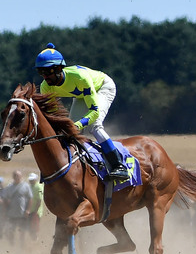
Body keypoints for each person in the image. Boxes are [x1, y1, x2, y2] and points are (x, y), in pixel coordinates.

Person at [35, 43, 128, 180]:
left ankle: (118, 165)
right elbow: (54, 119)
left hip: (102, 87)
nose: (45, 77)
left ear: (59, 68)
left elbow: (94, 111)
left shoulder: (80, 77)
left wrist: (78, 124)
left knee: (94, 126)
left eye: (48, 71)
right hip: (81, 95)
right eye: (41, 72)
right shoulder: (45, 87)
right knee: (69, 132)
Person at [0, 170, 32, 247]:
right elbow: (4, 199)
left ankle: (22, 246)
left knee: (22, 231)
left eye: (18, 175)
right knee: (10, 231)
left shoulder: (26, 186)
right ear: (13, 177)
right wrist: (4, 211)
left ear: (21, 176)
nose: (17, 177)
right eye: (15, 175)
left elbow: (30, 198)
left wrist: (28, 210)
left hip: (22, 214)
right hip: (11, 214)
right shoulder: (9, 187)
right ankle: (12, 245)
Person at [26, 173, 45, 243]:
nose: (31, 181)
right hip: (30, 211)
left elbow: (39, 200)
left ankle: (36, 241)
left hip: (36, 212)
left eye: (32, 180)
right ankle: (33, 241)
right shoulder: (30, 186)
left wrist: (35, 211)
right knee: (30, 228)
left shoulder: (38, 187)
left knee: (34, 228)